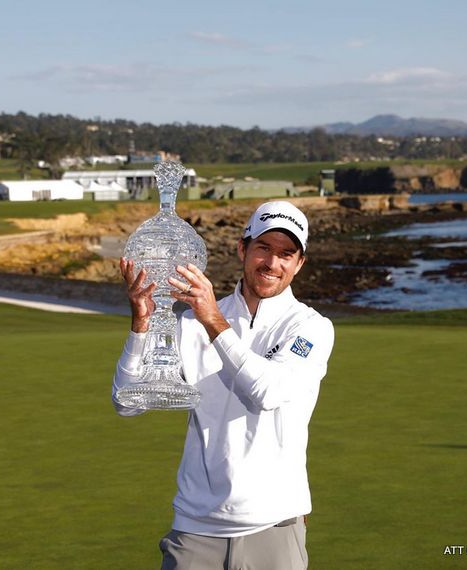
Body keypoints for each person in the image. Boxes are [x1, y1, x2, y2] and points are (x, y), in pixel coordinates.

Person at [112, 200, 335, 570]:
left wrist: (213, 320)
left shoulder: (311, 327)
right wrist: (141, 324)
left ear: (299, 264)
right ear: (242, 248)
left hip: (274, 529)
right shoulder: (191, 322)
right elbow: (127, 402)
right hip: (195, 530)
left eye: (286, 253)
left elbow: (266, 392)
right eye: (263, 248)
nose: (272, 263)